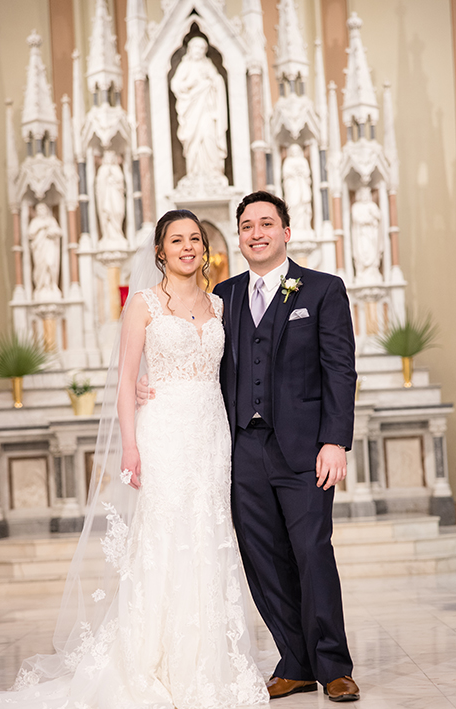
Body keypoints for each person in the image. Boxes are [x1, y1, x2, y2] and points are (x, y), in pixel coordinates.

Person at [0, 210, 268, 709]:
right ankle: (151, 660)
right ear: (160, 251)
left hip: (212, 436)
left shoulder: (220, 304)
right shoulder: (144, 305)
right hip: (163, 433)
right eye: (177, 240)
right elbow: (127, 380)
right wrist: (130, 445)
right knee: (164, 537)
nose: (188, 247)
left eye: (195, 238)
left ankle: (206, 660)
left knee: (208, 535)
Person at [140, 191, 360, 703]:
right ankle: (295, 659)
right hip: (241, 449)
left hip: (306, 450)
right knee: (262, 558)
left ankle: (333, 665)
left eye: (266, 223)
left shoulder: (324, 290)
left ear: (286, 232)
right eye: (246, 226)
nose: (256, 233)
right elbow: (192, 356)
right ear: (237, 238)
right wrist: (139, 385)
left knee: (311, 552)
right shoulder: (224, 297)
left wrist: (335, 441)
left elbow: (340, 370)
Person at [171, 37, 228, 178]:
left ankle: (213, 170)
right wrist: (191, 83)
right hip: (191, 112)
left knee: (208, 136)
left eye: (202, 49)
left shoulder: (208, 65)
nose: (199, 51)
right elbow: (175, 85)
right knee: (194, 142)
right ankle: (194, 171)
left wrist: (213, 81)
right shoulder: (186, 66)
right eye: (196, 48)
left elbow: (218, 81)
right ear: (190, 49)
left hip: (207, 111)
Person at [28, 202, 62, 301]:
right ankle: (41, 286)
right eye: (39, 210)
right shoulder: (35, 222)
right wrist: (41, 227)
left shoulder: (51, 220)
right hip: (39, 248)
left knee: (50, 264)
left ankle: (53, 285)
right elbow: (30, 233)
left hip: (50, 246)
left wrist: (51, 232)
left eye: (43, 209)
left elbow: (58, 231)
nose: (41, 212)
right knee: (41, 266)